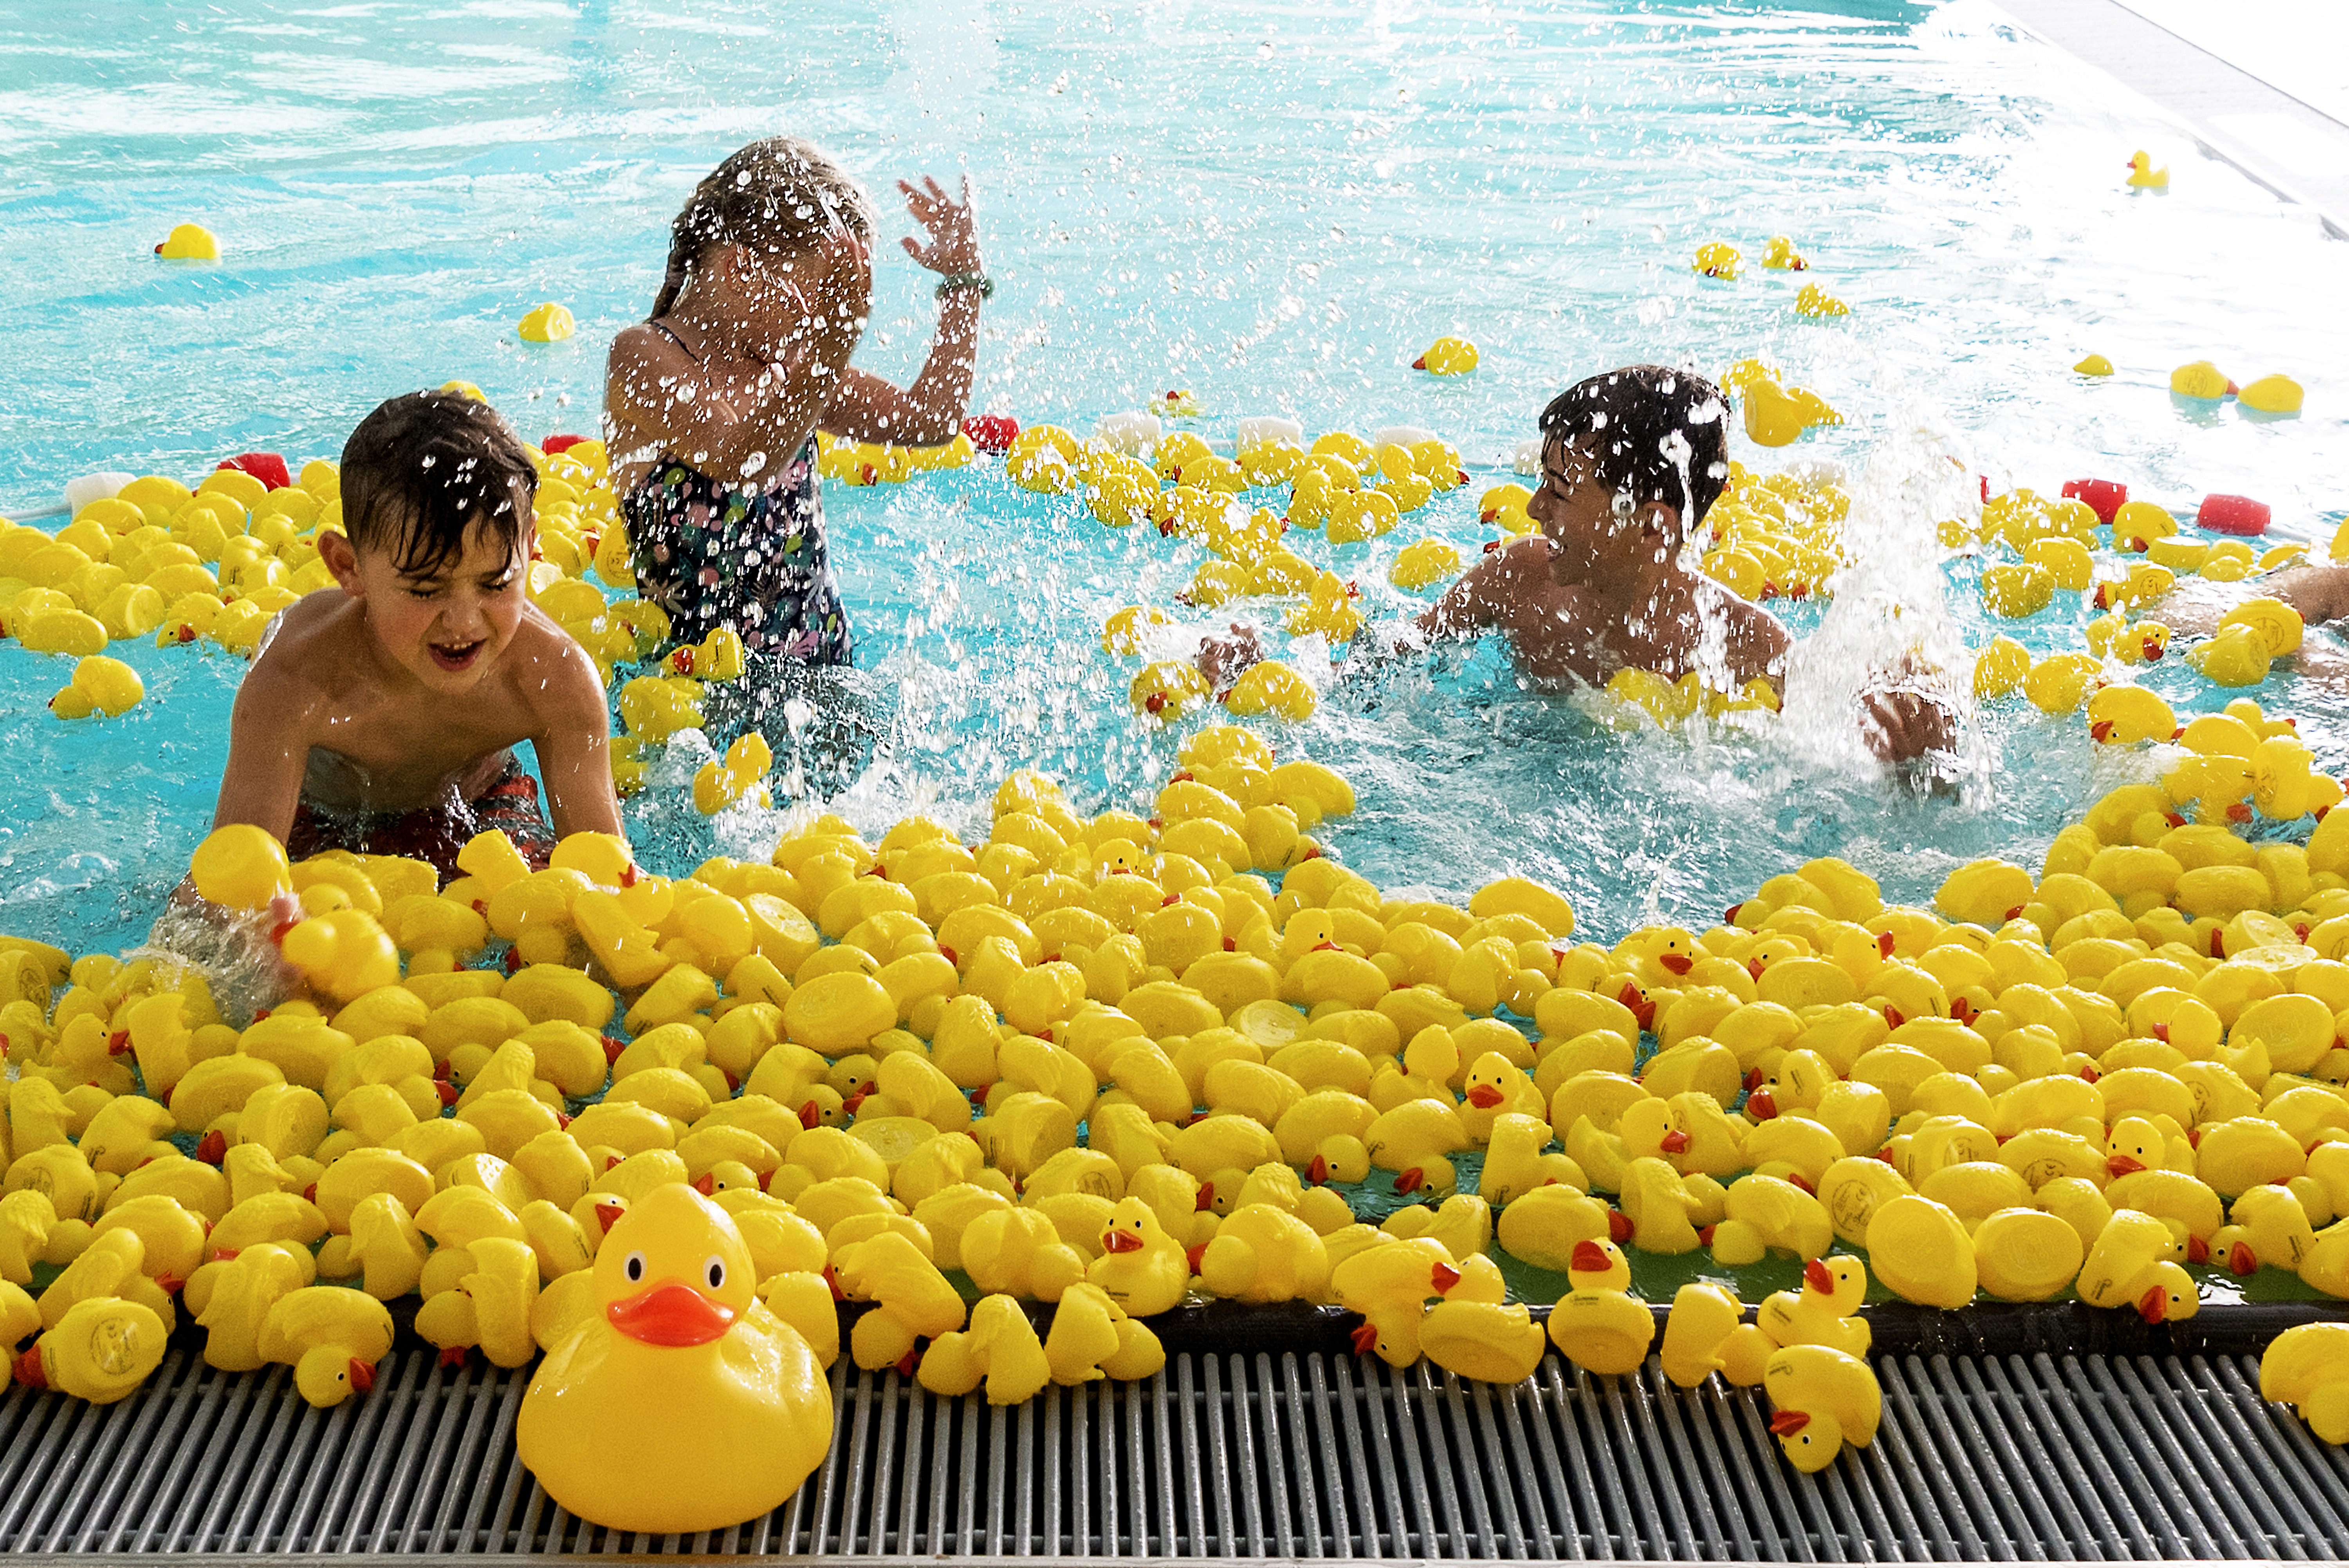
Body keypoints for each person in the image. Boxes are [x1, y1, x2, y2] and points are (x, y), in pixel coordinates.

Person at [1199, 364, 1956, 765]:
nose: (1534, 513)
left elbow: (1837, 751)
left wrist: (1920, 752)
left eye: (1561, 490)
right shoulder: (1515, 584)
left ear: (1653, 528)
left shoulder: (1741, 648)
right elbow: (1385, 661)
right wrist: (1272, 677)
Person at [603, 136, 986, 666]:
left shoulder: (788, 369)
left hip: (827, 674)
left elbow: (933, 420)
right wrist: (830, 346)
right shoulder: (643, 357)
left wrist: (962, 282)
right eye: (819, 302)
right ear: (743, 270)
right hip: (695, 699)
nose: (817, 330)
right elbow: (740, 460)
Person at [210, 389, 622, 877]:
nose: (464, 623)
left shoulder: (555, 681)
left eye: (494, 583)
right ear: (348, 567)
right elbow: (223, 890)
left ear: (531, 548)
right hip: (322, 817)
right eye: (427, 590)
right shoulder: (294, 684)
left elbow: (609, 876)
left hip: (481, 803)